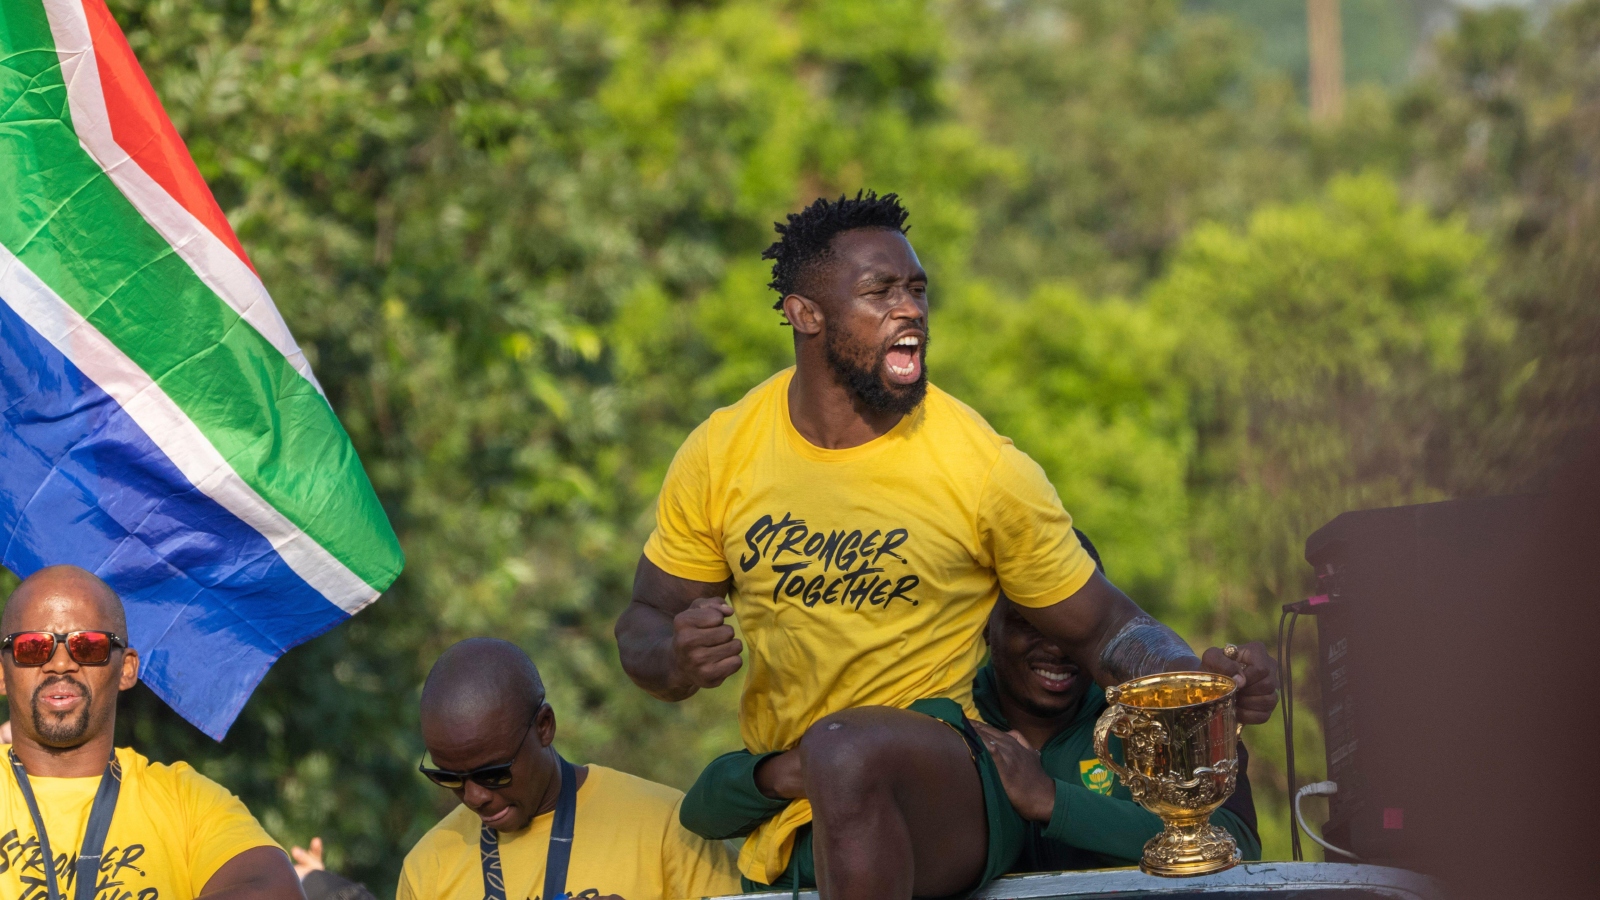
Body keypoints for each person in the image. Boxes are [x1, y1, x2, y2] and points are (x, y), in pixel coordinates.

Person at [614, 191, 1279, 900]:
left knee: (847, 748)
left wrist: (1197, 691)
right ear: (805, 314)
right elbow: (644, 623)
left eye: (917, 289)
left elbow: (1108, 626)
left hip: (949, 778)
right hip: (794, 806)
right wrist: (678, 658)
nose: (910, 309)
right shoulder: (722, 453)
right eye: (881, 291)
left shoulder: (981, 467)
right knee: (834, 763)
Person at [678, 536, 1261, 875]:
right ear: (985, 623)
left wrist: (1049, 801)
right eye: (1028, 624)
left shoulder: (1151, 708)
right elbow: (703, 812)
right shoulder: (937, 707)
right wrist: (805, 770)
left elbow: (1236, 841)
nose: (1055, 645)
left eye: (1073, 626)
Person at [0, 565, 303, 900]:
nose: (60, 663)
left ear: (127, 669)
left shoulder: (187, 801)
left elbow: (276, 889)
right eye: (32, 647)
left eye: (87, 646)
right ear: (2, 673)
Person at [397, 638, 739, 900]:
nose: (473, 796)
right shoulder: (428, 867)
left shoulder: (667, 826)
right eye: (449, 778)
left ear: (544, 726)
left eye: (493, 774)